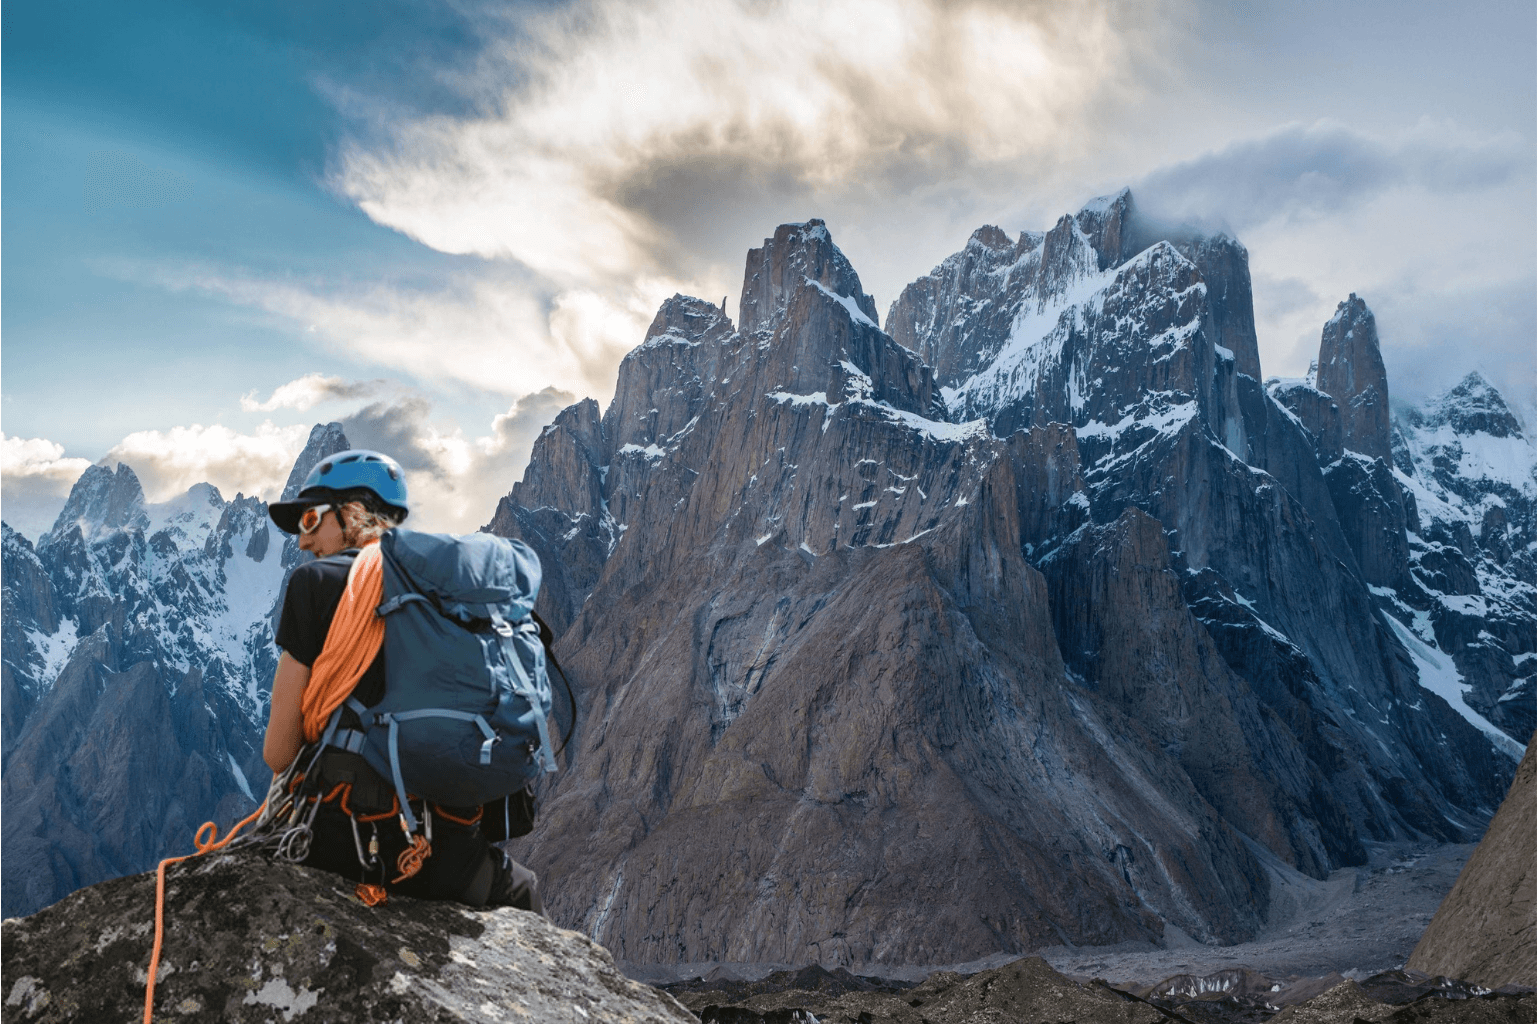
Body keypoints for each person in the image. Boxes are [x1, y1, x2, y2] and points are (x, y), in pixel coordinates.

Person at [263, 449, 542, 911]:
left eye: (310, 519)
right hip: (449, 853)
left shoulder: (313, 583)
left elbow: (279, 753)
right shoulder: (450, 591)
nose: (302, 541)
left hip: (341, 843)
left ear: (353, 513)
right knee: (522, 891)